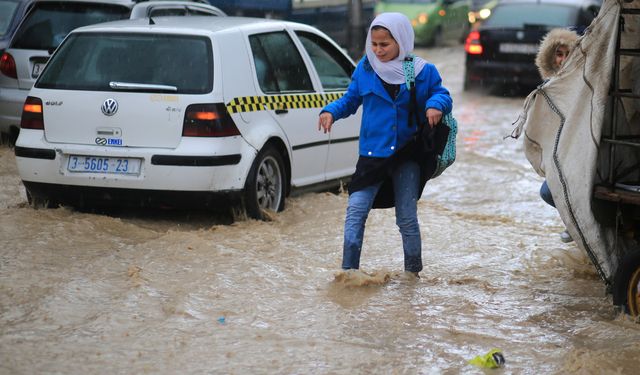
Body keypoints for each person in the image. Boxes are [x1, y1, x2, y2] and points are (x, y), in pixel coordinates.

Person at [317, 12, 452, 277]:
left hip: (408, 153)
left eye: (385, 44)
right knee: (356, 211)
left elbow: (442, 94)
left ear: (401, 41)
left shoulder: (422, 71)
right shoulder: (365, 68)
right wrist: (330, 111)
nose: (378, 50)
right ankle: (348, 273)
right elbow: (350, 99)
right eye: (375, 43)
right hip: (372, 154)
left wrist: (435, 106)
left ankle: (412, 275)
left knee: (406, 217)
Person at [535, 28, 579, 243]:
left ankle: (577, 226)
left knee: (549, 192)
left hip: (580, 150)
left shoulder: (585, 82)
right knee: (548, 192)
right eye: (559, 55)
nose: (562, 60)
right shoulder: (549, 87)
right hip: (559, 153)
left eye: (567, 54)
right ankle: (576, 225)